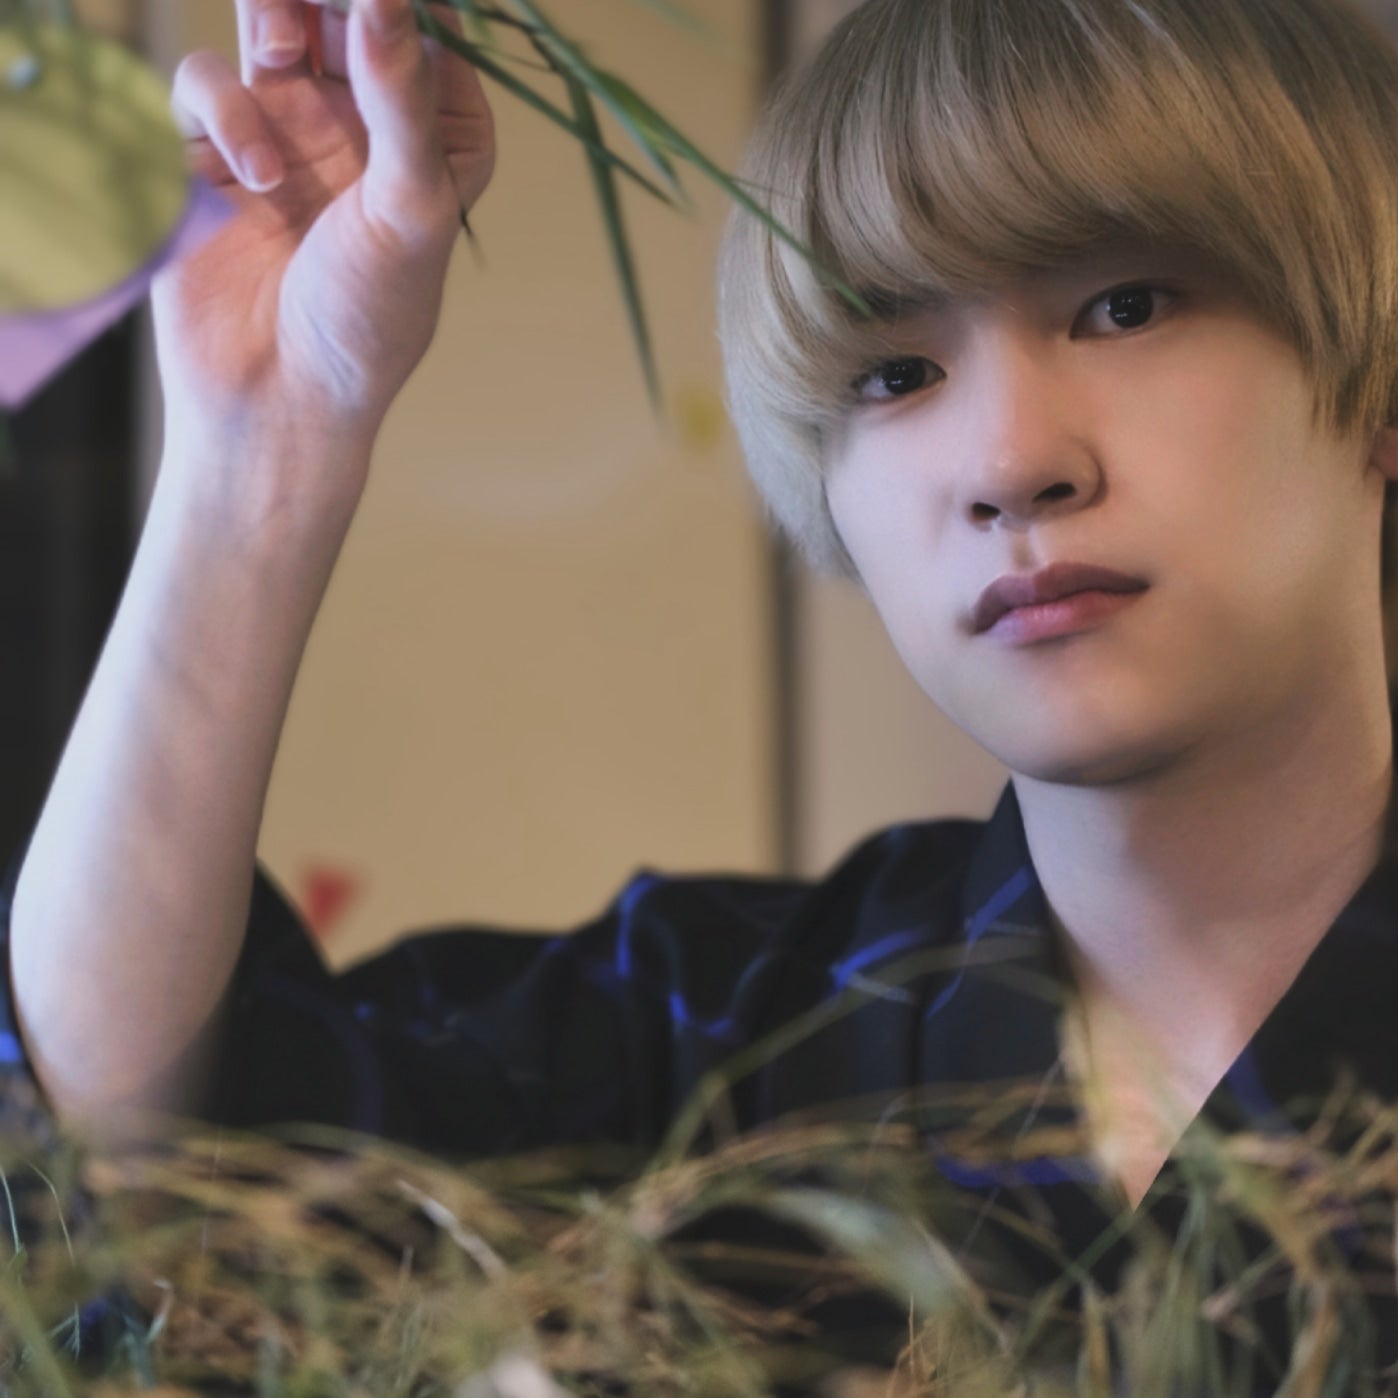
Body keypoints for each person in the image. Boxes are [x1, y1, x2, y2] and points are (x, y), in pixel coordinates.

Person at [5, 0, 1398, 1379]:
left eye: (1124, 307)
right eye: (894, 372)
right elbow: (130, 1188)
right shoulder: (725, 1046)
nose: (1008, 461)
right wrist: (259, 444)